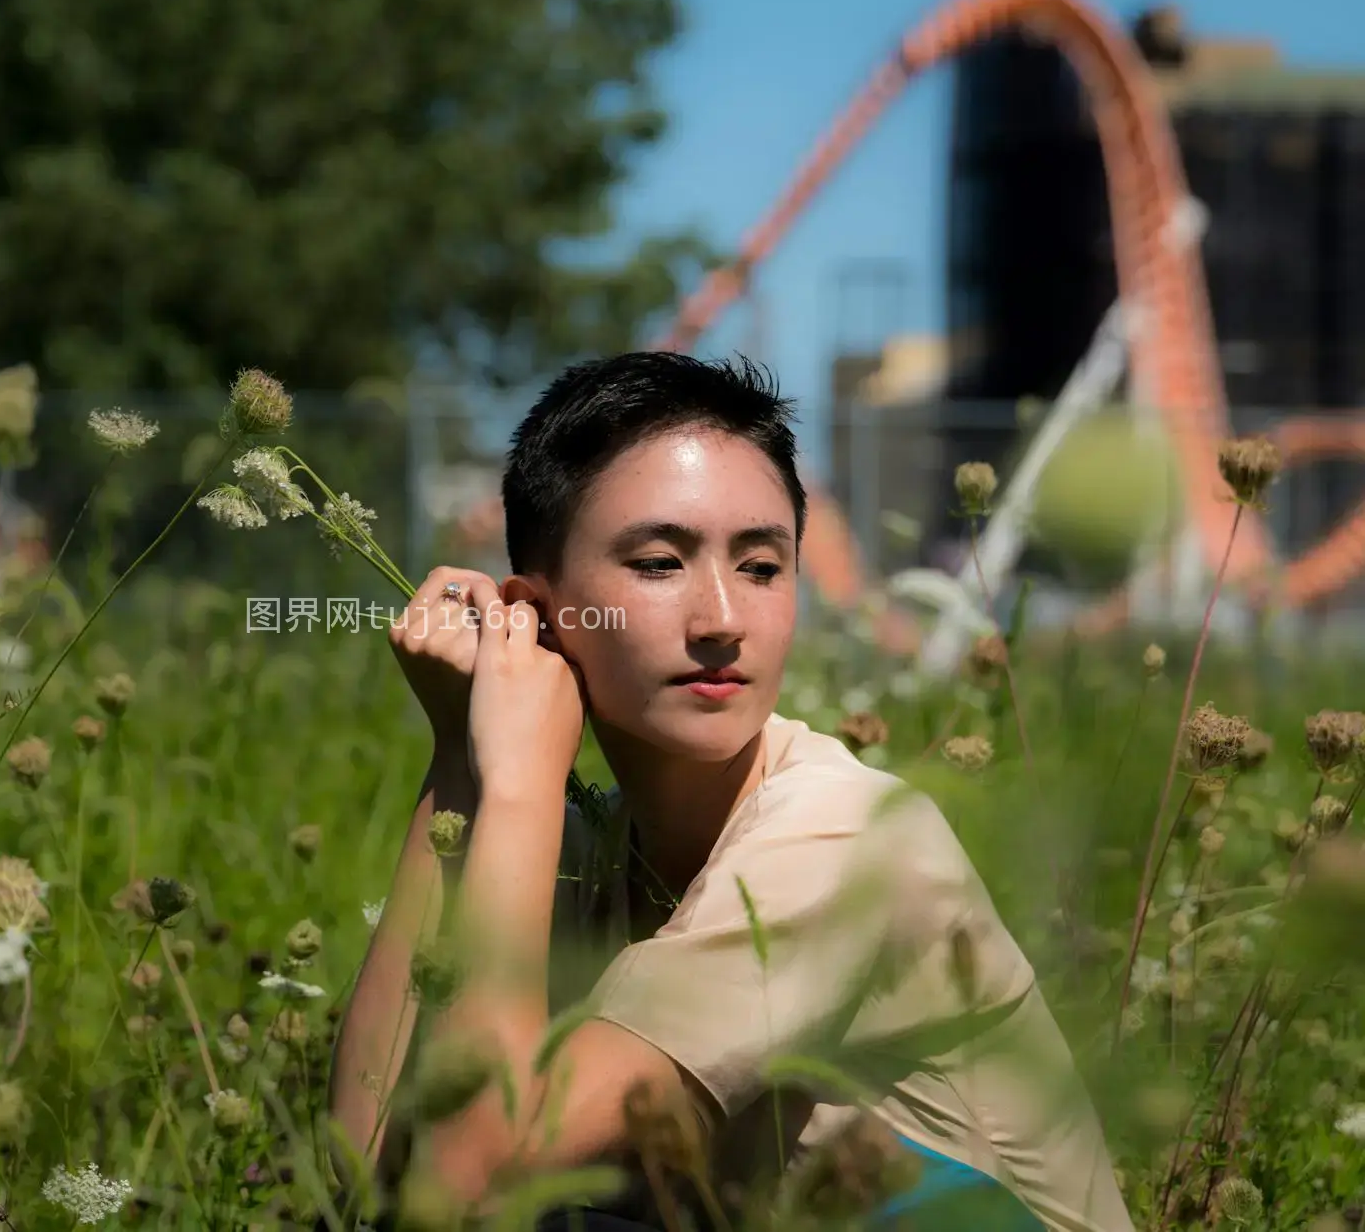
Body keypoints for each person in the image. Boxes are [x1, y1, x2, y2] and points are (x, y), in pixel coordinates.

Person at [325, 352, 1134, 1232]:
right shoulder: (587, 850)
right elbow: (364, 1170)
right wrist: (459, 763)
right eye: (661, 562)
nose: (721, 620)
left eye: (761, 567)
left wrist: (516, 783)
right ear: (539, 613)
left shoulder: (840, 836)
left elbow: (470, 1177)